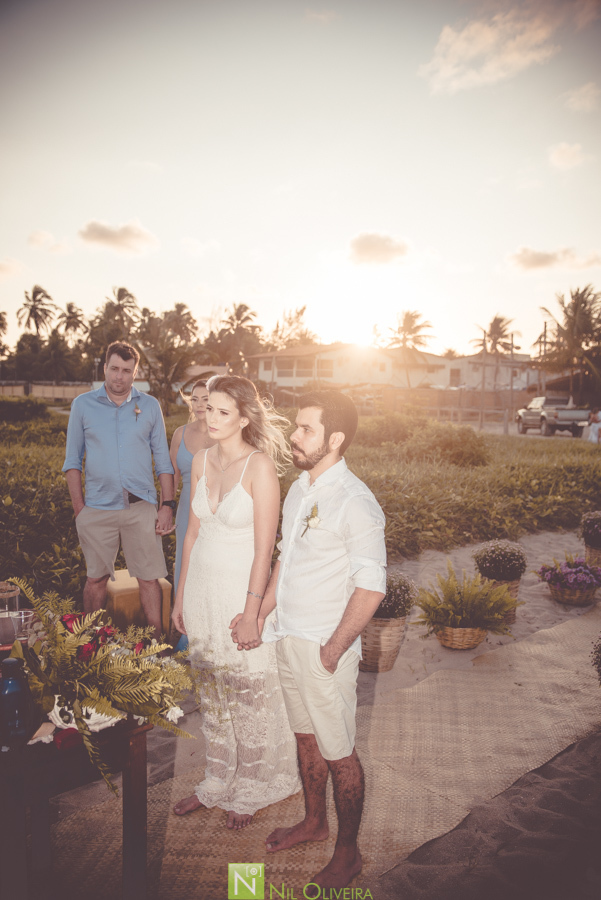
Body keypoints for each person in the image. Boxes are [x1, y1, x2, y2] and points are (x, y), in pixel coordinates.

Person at [232, 390, 386, 891]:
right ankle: (314, 822)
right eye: (297, 428)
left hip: (324, 649)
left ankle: (349, 852)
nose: (294, 437)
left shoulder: (356, 502)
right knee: (305, 739)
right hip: (287, 638)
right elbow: (287, 564)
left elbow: (372, 587)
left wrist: (334, 649)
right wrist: (256, 613)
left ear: (335, 439)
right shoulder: (300, 488)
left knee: (339, 750)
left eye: (306, 429)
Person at [171, 375, 300, 829]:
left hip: (240, 594)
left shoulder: (260, 466)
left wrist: (252, 613)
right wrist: (180, 595)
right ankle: (217, 777)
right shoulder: (200, 460)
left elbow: (266, 549)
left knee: (247, 691)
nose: (211, 418)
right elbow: (190, 534)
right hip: (202, 589)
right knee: (211, 689)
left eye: (223, 412)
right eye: (209, 409)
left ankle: (252, 784)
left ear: (244, 418)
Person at [63, 341, 175, 639]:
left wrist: (167, 505)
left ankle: (157, 648)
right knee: (96, 579)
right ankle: (90, 645)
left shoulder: (149, 406)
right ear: (105, 368)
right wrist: (80, 512)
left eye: (127, 371)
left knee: (150, 580)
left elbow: (163, 461)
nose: (119, 377)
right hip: (97, 509)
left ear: (134, 373)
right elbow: (72, 462)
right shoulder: (82, 405)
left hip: (141, 508)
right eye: (114, 368)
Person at [169, 381, 215, 651]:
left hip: (215, 514)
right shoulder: (179, 433)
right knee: (184, 568)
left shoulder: (222, 433)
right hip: (187, 513)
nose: (199, 405)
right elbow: (174, 476)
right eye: (195, 399)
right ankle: (185, 633)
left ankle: (210, 632)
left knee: (210, 568)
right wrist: (167, 507)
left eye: (205, 399)